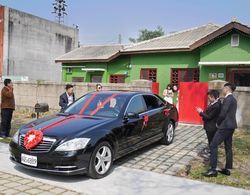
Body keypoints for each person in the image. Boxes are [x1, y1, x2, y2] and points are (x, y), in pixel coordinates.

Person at [203, 83, 237, 177]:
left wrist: (218, 123)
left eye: (224, 88)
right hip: (232, 126)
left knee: (213, 145)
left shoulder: (227, 99)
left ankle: (213, 169)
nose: (222, 90)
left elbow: (223, 113)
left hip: (225, 126)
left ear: (227, 88)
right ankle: (228, 169)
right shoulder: (233, 99)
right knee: (228, 147)